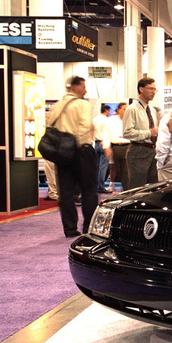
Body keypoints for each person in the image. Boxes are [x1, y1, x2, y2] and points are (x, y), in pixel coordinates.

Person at [46, 76, 98, 238]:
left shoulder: (57, 106)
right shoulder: (83, 104)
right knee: (89, 190)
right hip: (80, 150)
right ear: (75, 87)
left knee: (66, 192)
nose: (85, 90)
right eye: (83, 86)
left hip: (62, 152)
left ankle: (69, 229)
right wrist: (81, 146)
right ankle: (88, 227)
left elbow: (50, 126)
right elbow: (84, 127)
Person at [122, 78, 159, 190]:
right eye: (150, 89)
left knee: (153, 187)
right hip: (138, 150)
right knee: (137, 187)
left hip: (152, 150)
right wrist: (149, 132)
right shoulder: (132, 109)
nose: (153, 92)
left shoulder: (152, 110)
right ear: (141, 89)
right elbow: (127, 133)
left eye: (155, 89)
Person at [106, 102, 129, 191]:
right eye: (124, 109)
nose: (126, 111)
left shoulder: (130, 120)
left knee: (126, 170)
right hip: (114, 146)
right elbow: (107, 134)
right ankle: (112, 184)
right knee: (113, 167)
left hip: (127, 146)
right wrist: (107, 147)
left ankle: (126, 189)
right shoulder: (111, 120)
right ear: (118, 110)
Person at [92, 104, 112, 193]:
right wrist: (106, 146)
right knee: (103, 167)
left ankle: (95, 186)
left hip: (95, 143)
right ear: (107, 110)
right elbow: (106, 134)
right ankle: (100, 186)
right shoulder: (107, 120)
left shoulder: (94, 120)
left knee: (95, 167)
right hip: (103, 143)